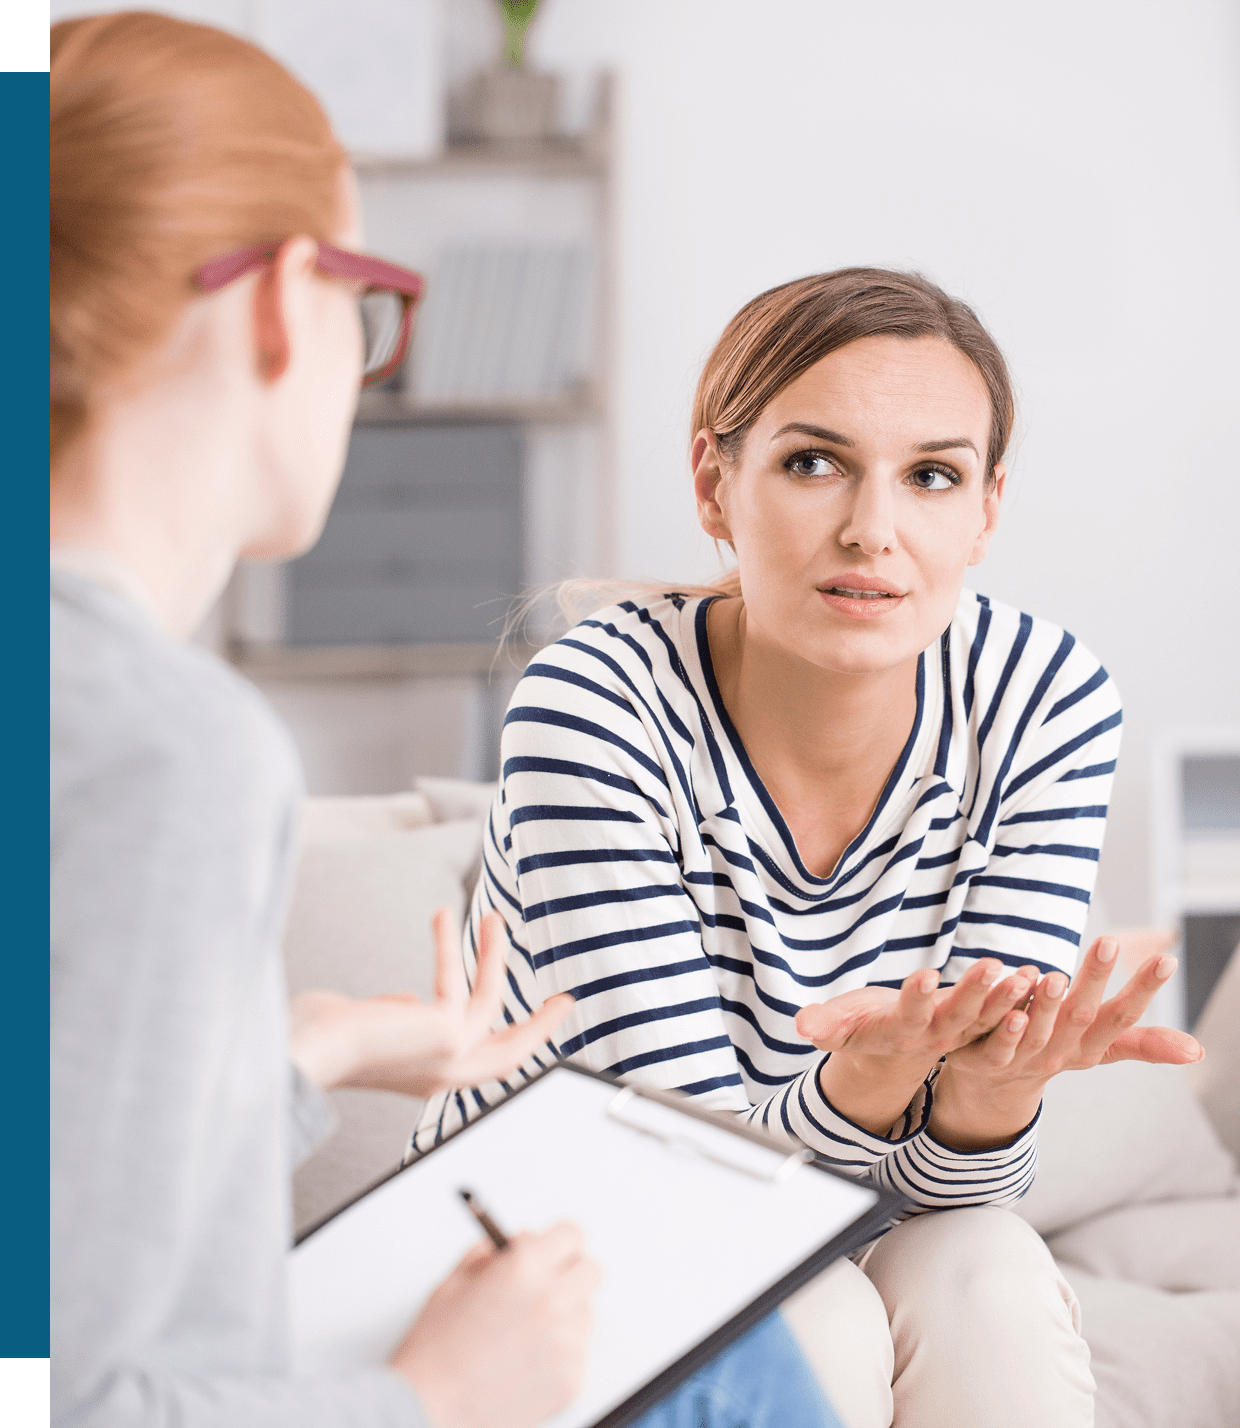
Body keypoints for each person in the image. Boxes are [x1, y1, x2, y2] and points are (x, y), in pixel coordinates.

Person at [49, 12, 841, 1428]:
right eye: (369, 307)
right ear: (289, 300)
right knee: (718, 1361)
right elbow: (76, 1398)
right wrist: (438, 1399)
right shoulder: (168, 748)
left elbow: (66, 1233)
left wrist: (310, 1053)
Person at [409, 268, 1206, 1428]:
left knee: (985, 1268)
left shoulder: (1042, 698)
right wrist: (871, 1084)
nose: (870, 531)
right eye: (812, 462)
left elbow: (961, 1191)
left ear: (984, 511)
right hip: (552, 1235)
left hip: (832, 1213)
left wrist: (985, 1097)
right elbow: (686, 1186)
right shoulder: (594, 703)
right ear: (714, 483)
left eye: (930, 476)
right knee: (816, 1313)